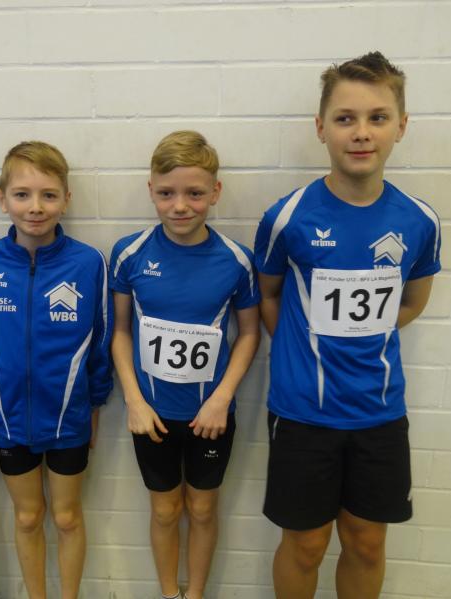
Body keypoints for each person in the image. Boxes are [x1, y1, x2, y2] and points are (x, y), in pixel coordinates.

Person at [253, 51, 442, 599]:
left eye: (378, 117)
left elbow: (412, 303)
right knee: (306, 545)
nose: (361, 132)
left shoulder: (419, 221)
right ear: (321, 127)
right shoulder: (286, 217)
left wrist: (358, 335)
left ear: (401, 126)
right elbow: (269, 296)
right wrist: (304, 346)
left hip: (378, 411)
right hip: (302, 412)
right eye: (345, 118)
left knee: (366, 542)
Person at [110, 131, 260, 599]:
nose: (180, 206)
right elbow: (120, 332)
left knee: (202, 509)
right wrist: (134, 401)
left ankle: (194, 593)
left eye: (194, 193)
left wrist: (221, 398)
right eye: (166, 193)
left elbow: (250, 333)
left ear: (215, 192)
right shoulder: (129, 254)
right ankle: (168, 593)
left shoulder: (237, 260)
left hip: (210, 416)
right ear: (151, 190)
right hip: (151, 415)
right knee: (164, 511)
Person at [0, 141, 113, 599]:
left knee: (67, 517)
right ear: (2, 199)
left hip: (69, 419)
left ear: (66, 199)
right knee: (27, 517)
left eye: (48, 195)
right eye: (22, 194)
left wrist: (94, 407)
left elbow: (101, 341)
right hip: (7, 419)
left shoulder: (88, 263)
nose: (35, 207)